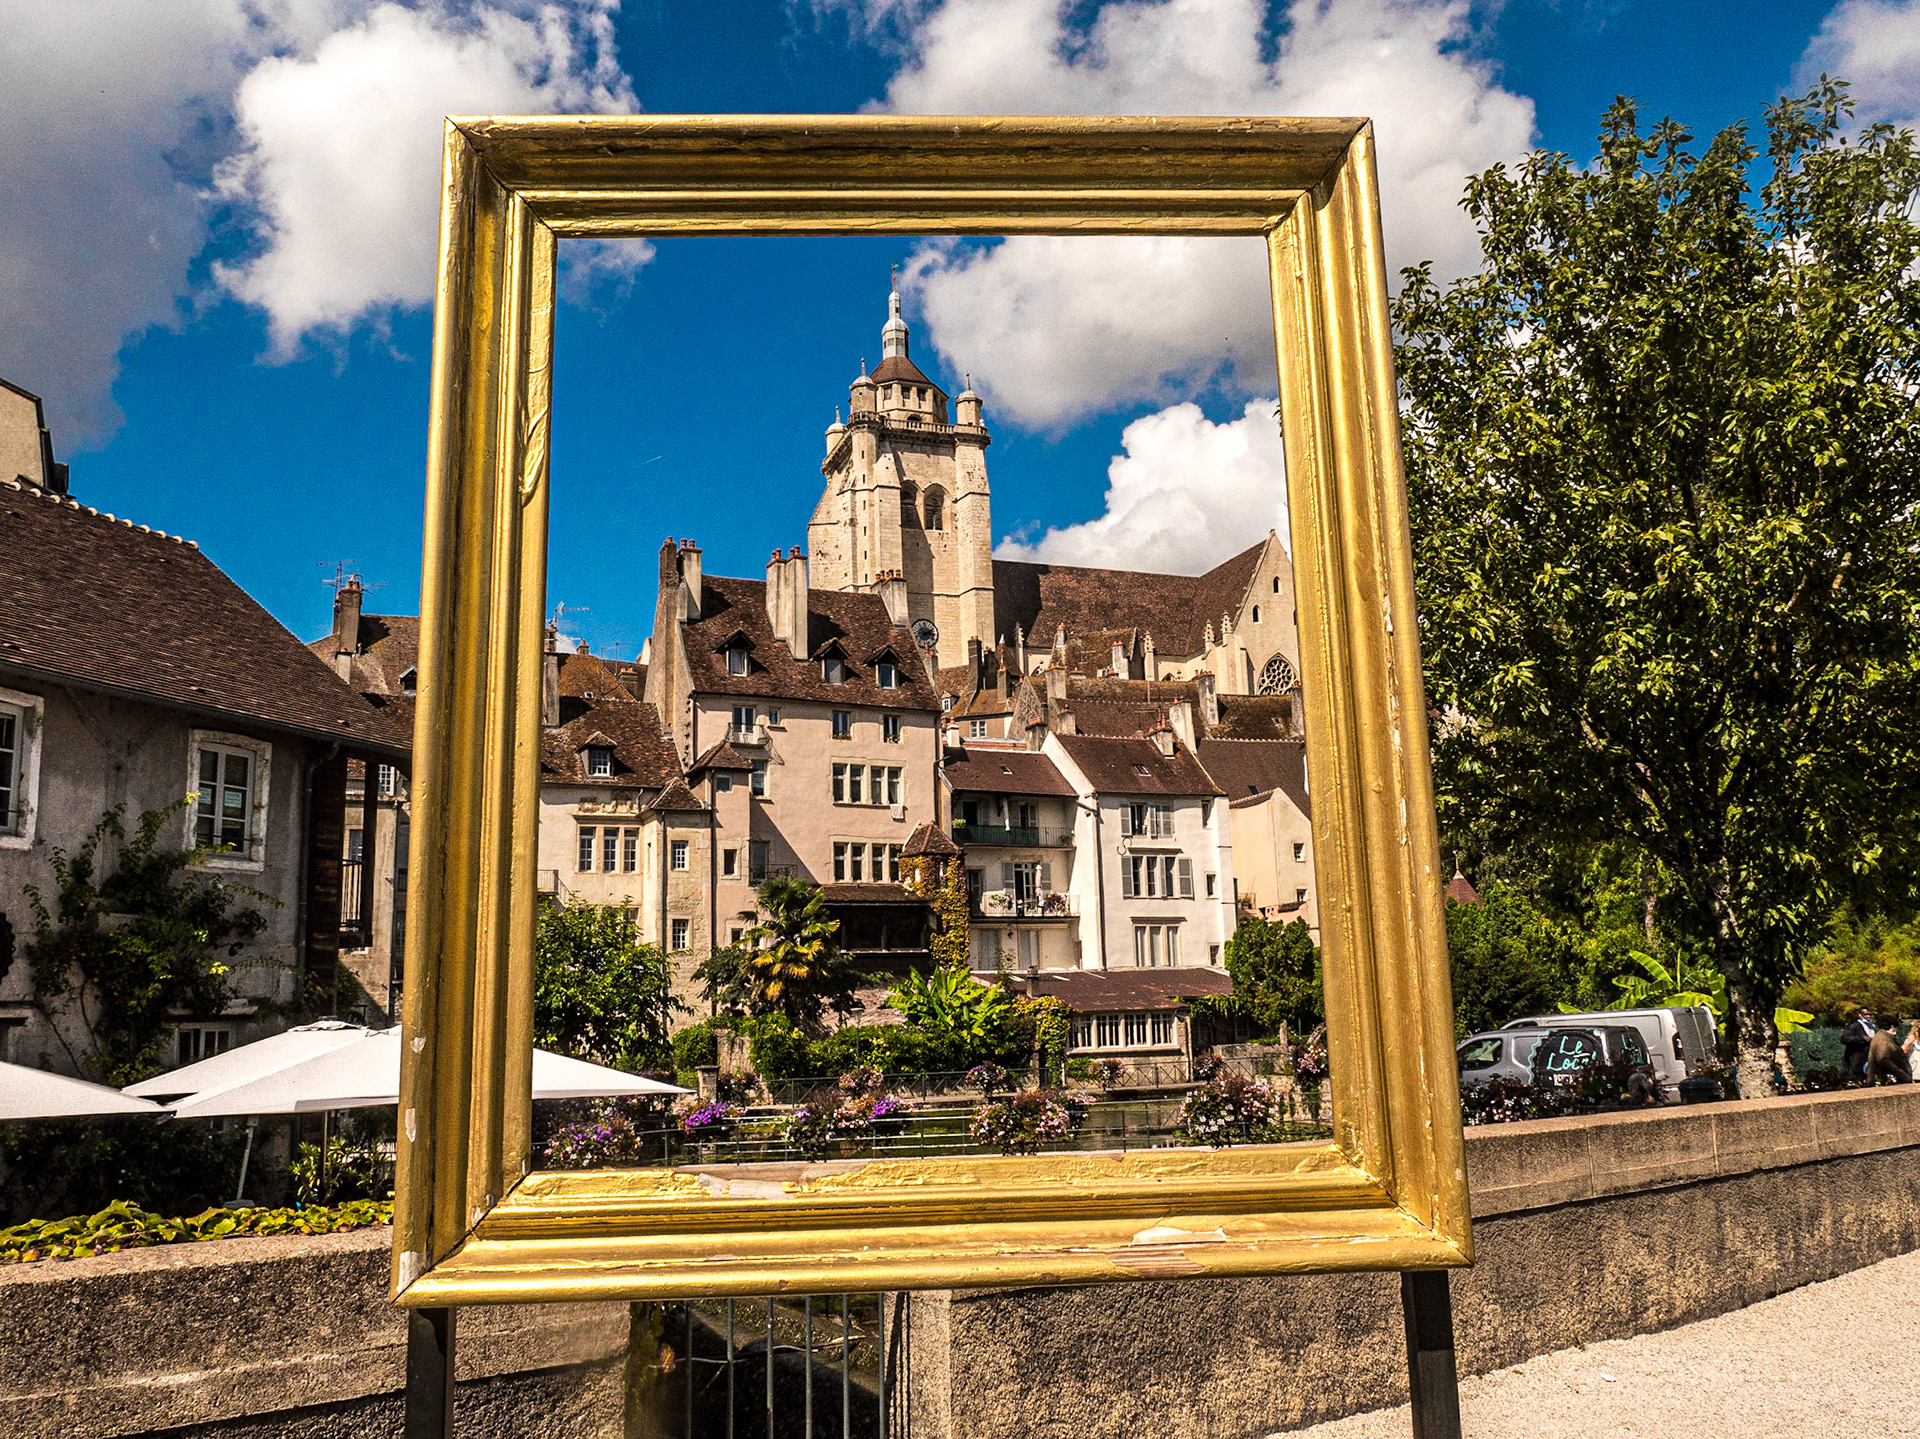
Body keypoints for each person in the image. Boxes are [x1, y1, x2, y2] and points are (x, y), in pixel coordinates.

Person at [1841, 1008, 1877, 1083]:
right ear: (1860, 1015)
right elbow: (1844, 1038)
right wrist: (1861, 1038)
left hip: (1868, 1056)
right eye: (1866, 1014)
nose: (1868, 1016)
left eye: (1870, 1014)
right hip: (1855, 1057)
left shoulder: (1872, 1026)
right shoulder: (1854, 1026)